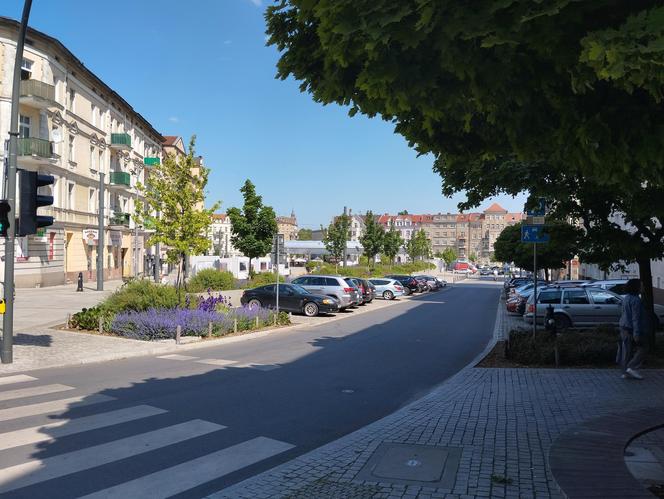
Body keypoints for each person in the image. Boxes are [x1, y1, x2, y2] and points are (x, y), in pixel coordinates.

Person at [618, 278, 648, 379]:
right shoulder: (636, 300)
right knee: (643, 348)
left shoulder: (626, 298)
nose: (643, 287)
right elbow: (636, 318)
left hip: (623, 326)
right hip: (630, 328)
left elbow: (623, 313)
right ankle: (632, 367)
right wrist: (636, 333)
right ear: (637, 287)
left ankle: (625, 372)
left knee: (626, 351)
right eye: (641, 285)